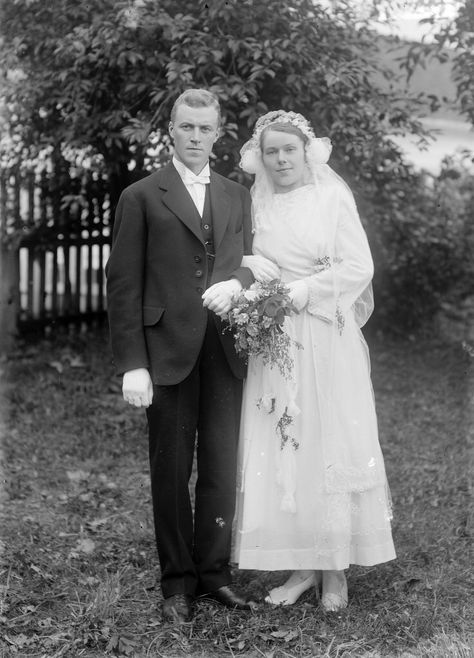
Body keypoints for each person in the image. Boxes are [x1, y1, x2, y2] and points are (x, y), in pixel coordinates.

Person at [105, 89, 278, 624]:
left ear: (219, 132)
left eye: (205, 128)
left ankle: (214, 576)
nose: (196, 137)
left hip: (225, 350)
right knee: (172, 468)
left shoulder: (236, 195)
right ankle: (177, 582)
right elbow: (123, 284)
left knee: (222, 468)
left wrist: (238, 282)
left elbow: (253, 262)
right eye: (187, 127)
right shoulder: (141, 196)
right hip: (167, 352)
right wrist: (134, 362)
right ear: (172, 131)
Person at [232, 110, 396, 612]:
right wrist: (246, 267)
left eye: (289, 150)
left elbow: (359, 266)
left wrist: (303, 291)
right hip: (275, 340)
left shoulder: (331, 198)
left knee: (328, 442)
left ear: (307, 153)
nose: (280, 160)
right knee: (287, 442)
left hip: (324, 332)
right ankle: (302, 567)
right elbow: (237, 257)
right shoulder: (255, 202)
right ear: (261, 158)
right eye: (272, 151)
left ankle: (335, 572)